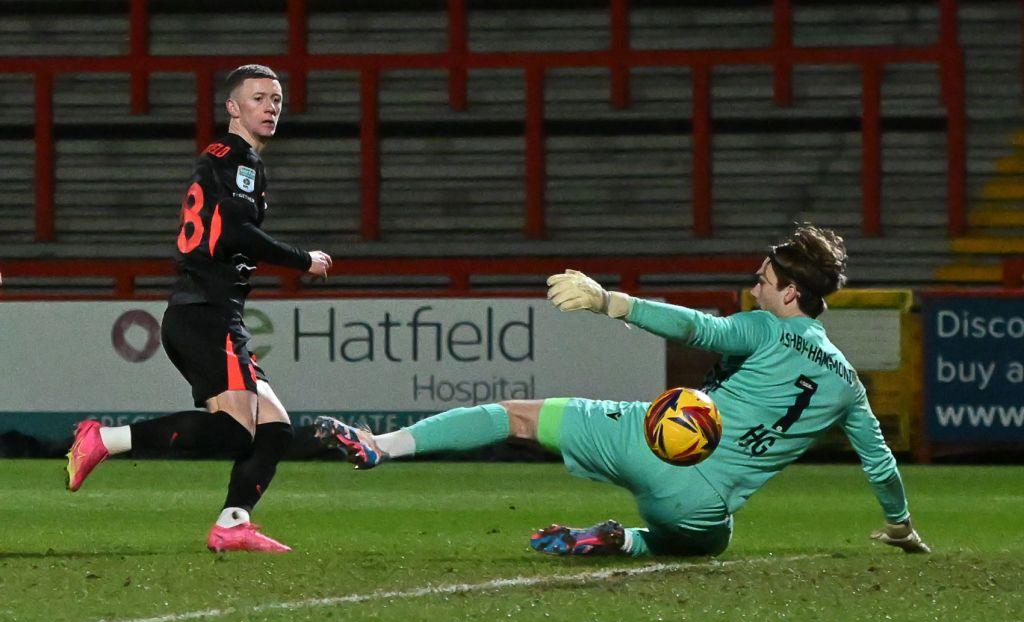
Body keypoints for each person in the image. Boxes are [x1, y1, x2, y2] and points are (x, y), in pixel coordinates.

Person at [314, 225, 929, 558]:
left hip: (647, 438)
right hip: (694, 509)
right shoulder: (847, 381)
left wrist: (611, 301)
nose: (757, 286)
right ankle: (626, 541)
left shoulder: (764, 325)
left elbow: (697, 326)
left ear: (791, 294)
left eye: (764, 281)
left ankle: (381, 447)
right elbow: (879, 463)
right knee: (715, 540)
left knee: (514, 416)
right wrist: (900, 525)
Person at [65, 64, 332, 553]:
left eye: (276, 98)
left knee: (273, 430)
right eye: (258, 98)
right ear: (232, 107)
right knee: (235, 430)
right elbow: (233, 233)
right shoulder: (239, 160)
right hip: (207, 312)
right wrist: (303, 260)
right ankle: (105, 439)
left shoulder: (223, 158)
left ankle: (232, 524)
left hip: (203, 312)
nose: (271, 106)